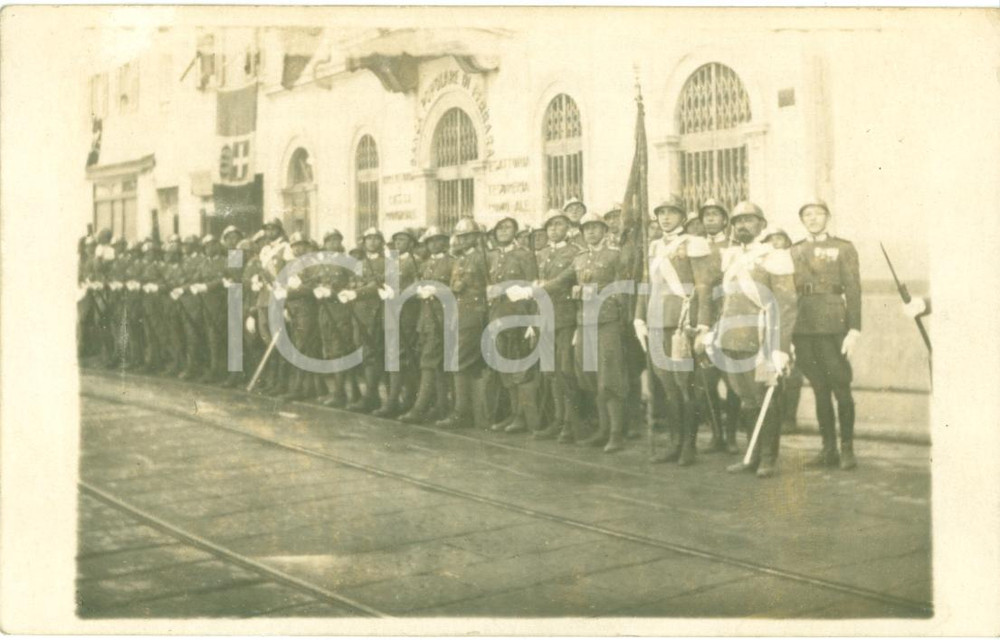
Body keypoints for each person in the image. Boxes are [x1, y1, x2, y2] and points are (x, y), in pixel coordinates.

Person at [706, 201, 797, 479]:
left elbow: (786, 304)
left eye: (749, 220)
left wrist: (779, 348)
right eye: (738, 221)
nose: (743, 225)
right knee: (746, 400)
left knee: (764, 400)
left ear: (762, 225)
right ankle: (752, 454)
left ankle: (768, 458)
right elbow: (726, 301)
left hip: (761, 340)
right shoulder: (732, 257)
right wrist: (715, 332)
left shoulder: (775, 257)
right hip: (732, 338)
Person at [634, 195, 711, 466]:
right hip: (656, 321)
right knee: (667, 386)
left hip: (681, 321)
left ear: (682, 216)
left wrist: (702, 324)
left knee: (685, 386)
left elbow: (703, 285)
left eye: (672, 212)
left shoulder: (694, 243)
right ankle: (674, 443)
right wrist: (639, 317)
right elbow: (646, 284)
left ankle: (689, 445)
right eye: (661, 212)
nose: (666, 217)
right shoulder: (654, 246)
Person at [791, 200, 862, 470]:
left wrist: (854, 328)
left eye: (817, 214)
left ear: (827, 217)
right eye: (807, 214)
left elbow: (854, 289)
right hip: (803, 325)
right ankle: (828, 449)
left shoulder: (843, 248)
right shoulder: (794, 250)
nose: (812, 219)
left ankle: (847, 449)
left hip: (834, 323)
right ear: (802, 220)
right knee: (819, 388)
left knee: (841, 386)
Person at [572, 212, 629, 452]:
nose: (591, 232)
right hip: (585, 321)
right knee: (591, 377)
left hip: (607, 320)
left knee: (610, 379)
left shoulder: (615, 255)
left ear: (605, 231)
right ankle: (603, 429)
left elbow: (623, 287)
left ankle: (616, 433)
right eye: (587, 229)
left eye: (596, 228)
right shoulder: (579, 258)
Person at [530, 209, 583, 443]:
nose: (553, 229)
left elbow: (567, 281)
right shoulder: (541, 255)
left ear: (568, 228)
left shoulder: (576, 253)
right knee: (551, 372)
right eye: (550, 225)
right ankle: (559, 420)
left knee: (566, 371)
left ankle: (572, 423)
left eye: (559, 224)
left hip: (565, 317)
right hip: (545, 317)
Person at [486, 216, 539, 434]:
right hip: (499, 316)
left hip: (519, 316)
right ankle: (513, 412)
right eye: (499, 228)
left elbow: (534, 286)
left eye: (508, 227)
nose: (503, 231)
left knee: (519, 367)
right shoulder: (496, 256)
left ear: (515, 231)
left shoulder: (524, 255)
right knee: (504, 367)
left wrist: (532, 319)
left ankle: (521, 416)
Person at [694, 198, 740, 453]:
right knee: (706, 380)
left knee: (732, 379)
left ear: (725, 219)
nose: (711, 219)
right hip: (704, 317)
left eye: (716, 214)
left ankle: (732, 435)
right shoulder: (695, 246)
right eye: (707, 215)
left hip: (731, 316)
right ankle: (716, 434)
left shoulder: (734, 246)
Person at [434, 217, 487, 429]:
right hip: (460, 313)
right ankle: (465, 409)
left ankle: (461, 412)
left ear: (476, 237)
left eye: (468, 237)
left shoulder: (481, 258)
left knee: (461, 361)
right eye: (461, 237)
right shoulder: (460, 259)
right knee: (460, 362)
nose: (463, 241)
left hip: (474, 314)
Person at [375, 229, 422, 418]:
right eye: (396, 239)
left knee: (403, 357)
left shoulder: (414, 261)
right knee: (393, 356)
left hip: (407, 314)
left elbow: (417, 286)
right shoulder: (393, 262)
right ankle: (398, 399)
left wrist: (398, 294)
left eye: (403, 239)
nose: (398, 242)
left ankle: (397, 400)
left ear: (411, 242)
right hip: (392, 313)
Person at [763, 227, 804, 433]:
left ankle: (789, 417)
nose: (776, 242)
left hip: (791, 320)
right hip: (767, 322)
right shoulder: (762, 261)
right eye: (772, 239)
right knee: (768, 371)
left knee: (791, 372)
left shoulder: (793, 261)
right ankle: (773, 416)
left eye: (780, 238)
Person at [344, 228, 388, 413]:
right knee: (362, 352)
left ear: (381, 242)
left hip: (375, 311)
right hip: (358, 312)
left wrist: (356, 291)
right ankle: (368, 396)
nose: (372, 242)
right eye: (368, 239)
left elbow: (378, 285)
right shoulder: (358, 264)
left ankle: (371, 396)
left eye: (375, 239)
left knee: (372, 354)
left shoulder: (387, 263)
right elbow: (352, 282)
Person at [311, 229, 356, 408]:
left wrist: (335, 291)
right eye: (330, 241)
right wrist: (318, 289)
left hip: (341, 310)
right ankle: (339, 391)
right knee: (329, 348)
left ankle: (340, 393)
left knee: (340, 350)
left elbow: (353, 284)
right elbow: (314, 281)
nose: (333, 244)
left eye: (336, 240)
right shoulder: (322, 264)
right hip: (325, 311)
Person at [175, 235, 207, 380]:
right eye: (184, 245)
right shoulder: (185, 259)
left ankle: (194, 367)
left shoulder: (200, 260)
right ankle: (189, 365)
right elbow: (179, 276)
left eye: (188, 245)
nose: (185, 247)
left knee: (193, 334)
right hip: (184, 299)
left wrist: (183, 285)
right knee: (186, 334)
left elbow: (196, 278)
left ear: (195, 246)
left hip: (194, 301)